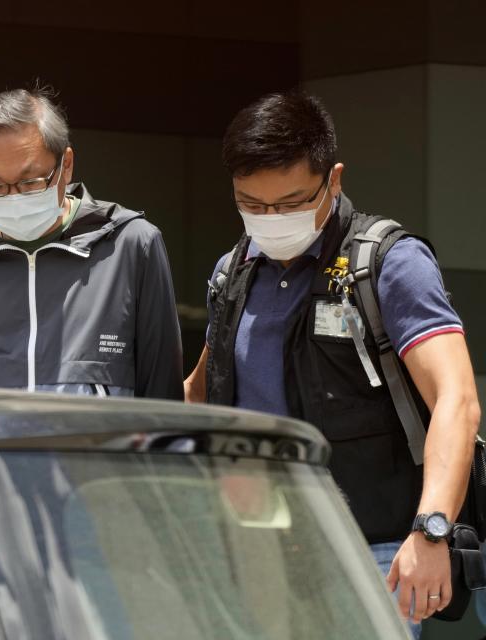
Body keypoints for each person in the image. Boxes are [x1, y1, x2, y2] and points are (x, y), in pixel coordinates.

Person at [184, 90, 481, 634]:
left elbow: (457, 400)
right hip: (253, 552)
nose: (271, 219)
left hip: (370, 549)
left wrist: (432, 529)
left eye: (293, 202)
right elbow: (200, 395)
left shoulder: (387, 263)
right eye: (252, 204)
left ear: (333, 180)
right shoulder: (233, 273)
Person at [0, 88, 183, 399]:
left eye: (30, 182)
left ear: (66, 165)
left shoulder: (131, 245)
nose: (13, 197)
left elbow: (163, 399)